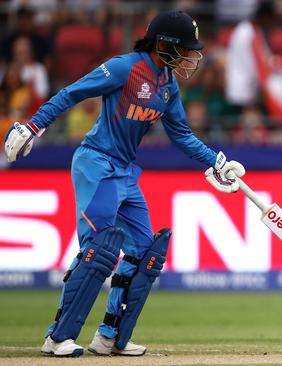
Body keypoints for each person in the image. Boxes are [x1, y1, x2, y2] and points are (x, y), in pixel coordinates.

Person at [4, 10, 245, 357]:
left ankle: (110, 337)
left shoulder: (168, 85)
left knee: (146, 252)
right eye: (186, 49)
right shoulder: (125, 68)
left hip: (126, 171)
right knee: (100, 249)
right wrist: (33, 125)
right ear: (165, 45)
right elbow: (73, 92)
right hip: (96, 162)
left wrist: (217, 162)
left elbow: (182, 136)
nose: (192, 57)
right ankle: (57, 337)